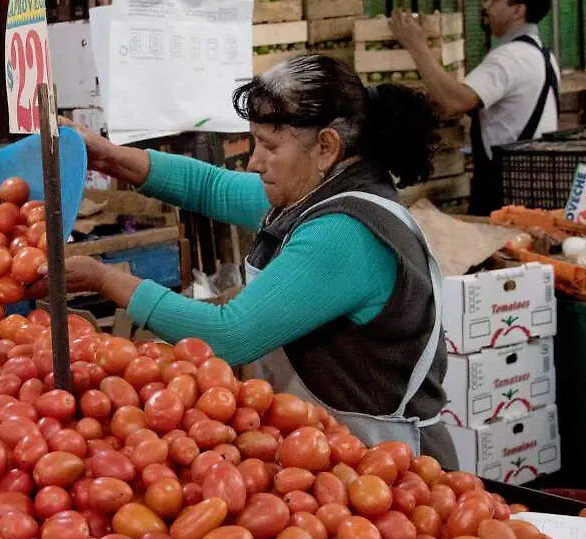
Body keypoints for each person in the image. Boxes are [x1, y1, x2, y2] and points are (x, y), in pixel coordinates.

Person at [48, 55, 458, 467]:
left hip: (388, 465)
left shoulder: (344, 232)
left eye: (269, 146)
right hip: (328, 450)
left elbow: (230, 336)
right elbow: (209, 186)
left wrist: (104, 279)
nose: (254, 162)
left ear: (326, 147)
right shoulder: (313, 191)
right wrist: (107, 157)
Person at [391, 1, 559, 216]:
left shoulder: (509, 57)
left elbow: (453, 102)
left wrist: (416, 46)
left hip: (503, 193)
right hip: (530, 185)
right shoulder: (542, 55)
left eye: (494, 0)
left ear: (518, 10)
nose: (485, 4)